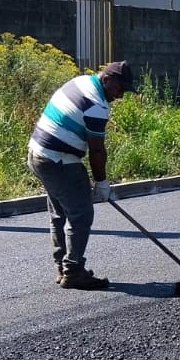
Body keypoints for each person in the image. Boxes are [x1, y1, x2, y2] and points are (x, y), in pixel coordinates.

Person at [26, 60, 135, 290]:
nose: (120, 95)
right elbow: (97, 150)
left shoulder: (81, 81)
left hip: (38, 154)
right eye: (119, 89)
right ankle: (73, 272)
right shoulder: (97, 104)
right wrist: (102, 182)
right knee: (81, 215)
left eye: (124, 91)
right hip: (58, 161)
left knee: (59, 213)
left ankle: (63, 266)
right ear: (107, 79)